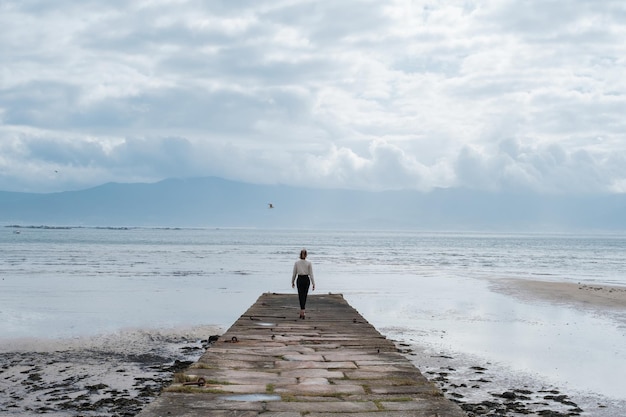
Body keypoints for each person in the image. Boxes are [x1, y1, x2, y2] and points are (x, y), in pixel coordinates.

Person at [291, 248, 315, 319]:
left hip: (303, 279)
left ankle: (302, 311)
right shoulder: (302, 263)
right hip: (303, 279)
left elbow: (311, 274)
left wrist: (313, 283)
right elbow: (294, 273)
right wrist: (292, 281)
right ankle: (303, 311)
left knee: (302, 295)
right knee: (302, 295)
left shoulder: (301, 263)